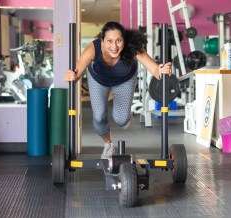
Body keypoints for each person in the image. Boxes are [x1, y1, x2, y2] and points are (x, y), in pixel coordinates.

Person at [64, 21, 172, 159]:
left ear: (124, 40)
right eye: (109, 41)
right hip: (99, 80)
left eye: (118, 40)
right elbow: (76, 74)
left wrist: (163, 71)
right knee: (98, 116)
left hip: (124, 80)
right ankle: (108, 144)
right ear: (101, 41)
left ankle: (126, 114)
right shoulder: (93, 48)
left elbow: (155, 70)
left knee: (121, 120)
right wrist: (70, 76)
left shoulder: (132, 47)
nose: (114, 46)